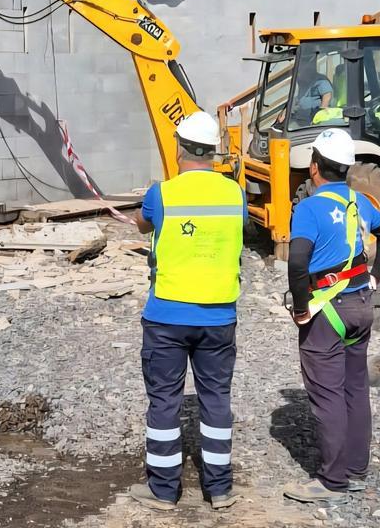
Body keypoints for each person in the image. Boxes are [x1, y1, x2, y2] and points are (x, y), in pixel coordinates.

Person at [126, 111, 247, 512]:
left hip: (167, 317)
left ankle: (163, 491)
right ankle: (220, 489)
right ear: (213, 152)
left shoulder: (163, 193)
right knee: (216, 400)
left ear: (179, 148)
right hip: (218, 317)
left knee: (164, 400)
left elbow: (143, 225)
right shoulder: (235, 194)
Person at [283, 128, 380, 503]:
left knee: (327, 393)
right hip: (360, 306)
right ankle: (356, 469)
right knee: (355, 387)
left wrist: (301, 308)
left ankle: (332, 480)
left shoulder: (309, 208)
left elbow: (298, 261)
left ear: (315, 168)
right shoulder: (359, 203)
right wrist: (375, 276)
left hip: (327, 310)